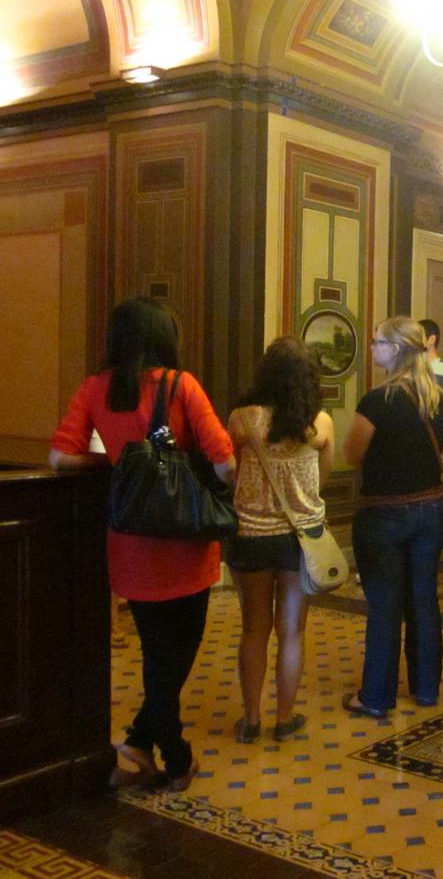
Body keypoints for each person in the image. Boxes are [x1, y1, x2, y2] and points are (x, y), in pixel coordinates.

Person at [50, 297, 235, 792]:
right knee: (177, 653)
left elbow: (59, 457)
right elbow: (224, 462)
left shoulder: (95, 389)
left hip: (130, 544)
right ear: (162, 336)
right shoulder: (180, 385)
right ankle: (169, 755)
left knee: (157, 652)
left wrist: (117, 463)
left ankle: (144, 744)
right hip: (187, 544)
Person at [226, 337, 335, 743]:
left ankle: (251, 719)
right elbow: (323, 479)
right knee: (292, 631)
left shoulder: (242, 419)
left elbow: (228, 472)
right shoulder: (319, 423)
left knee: (254, 629)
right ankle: (284, 718)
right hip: (301, 540)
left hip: (251, 534)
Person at [343, 316, 443, 716]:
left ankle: (377, 696)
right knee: (424, 599)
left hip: (384, 515)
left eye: (377, 342)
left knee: (385, 605)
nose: (372, 348)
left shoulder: (377, 401)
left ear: (395, 349)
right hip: (431, 509)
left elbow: (352, 455)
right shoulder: (434, 397)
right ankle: (425, 688)